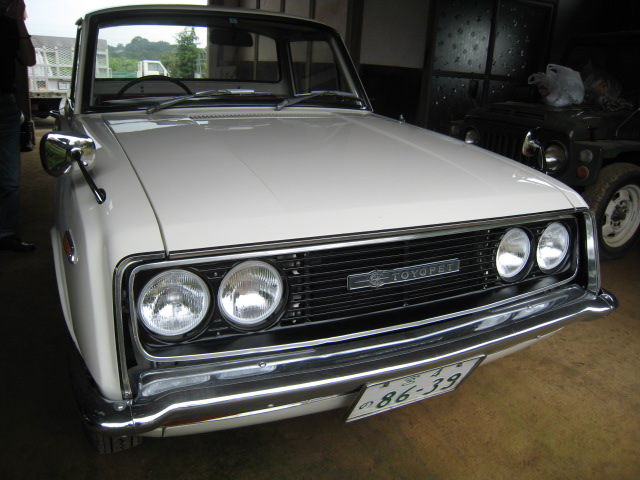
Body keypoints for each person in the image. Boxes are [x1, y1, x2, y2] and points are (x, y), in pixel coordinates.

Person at [0, 0, 36, 252]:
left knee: (10, 178)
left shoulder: (9, 25)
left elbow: (29, 59)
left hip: (5, 103)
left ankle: (6, 233)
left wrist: (19, 21)